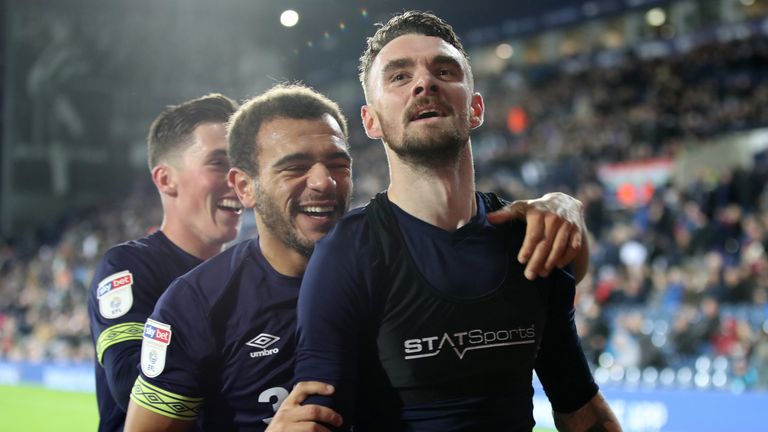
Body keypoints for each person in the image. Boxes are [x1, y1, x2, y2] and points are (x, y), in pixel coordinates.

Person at [123, 83, 592, 432]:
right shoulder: (196, 305)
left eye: (338, 164)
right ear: (244, 187)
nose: (324, 182)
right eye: (295, 166)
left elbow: (553, 281)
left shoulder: (411, 252)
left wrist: (566, 210)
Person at [292, 11, 621, 431]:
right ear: (370, 122)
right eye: (398, 77)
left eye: (444, 70)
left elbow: (579, 405)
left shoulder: (528, 240)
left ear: (475, 108)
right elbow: (315, 419)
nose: (424, 83)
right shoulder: (348, 253)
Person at [88, 94, 243, 431]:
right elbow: (130, 384)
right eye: (219, 163)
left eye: (241, 164)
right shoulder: (128, 267)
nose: (237, 178)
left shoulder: (246, 271)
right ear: (165, 179)